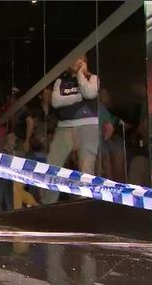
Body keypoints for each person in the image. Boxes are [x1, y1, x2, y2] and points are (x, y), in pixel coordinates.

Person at [46, 55, 99, 204]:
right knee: (53, 162)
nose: (78, 61)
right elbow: (56, 102)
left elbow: (90, 93)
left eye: (82, 58)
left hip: (88, 124)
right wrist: (78, 97)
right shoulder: (60, 81)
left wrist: (81, 75)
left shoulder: (93, 78)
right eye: (75, 58)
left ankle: (86, 199)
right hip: (65, 126)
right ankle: (48, 201)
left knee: (86, 163)